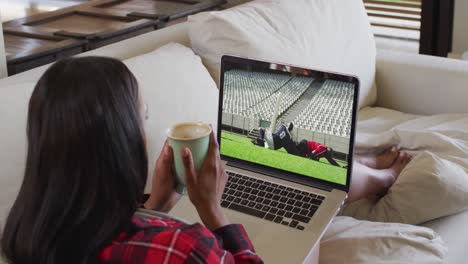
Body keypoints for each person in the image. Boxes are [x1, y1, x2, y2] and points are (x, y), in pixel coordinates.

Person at [0, 57, 263, 264]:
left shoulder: (23, 235)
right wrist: (213, 210)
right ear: (121, 140)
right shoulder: (185, 249)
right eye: (143, 118)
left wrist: (154, 206)